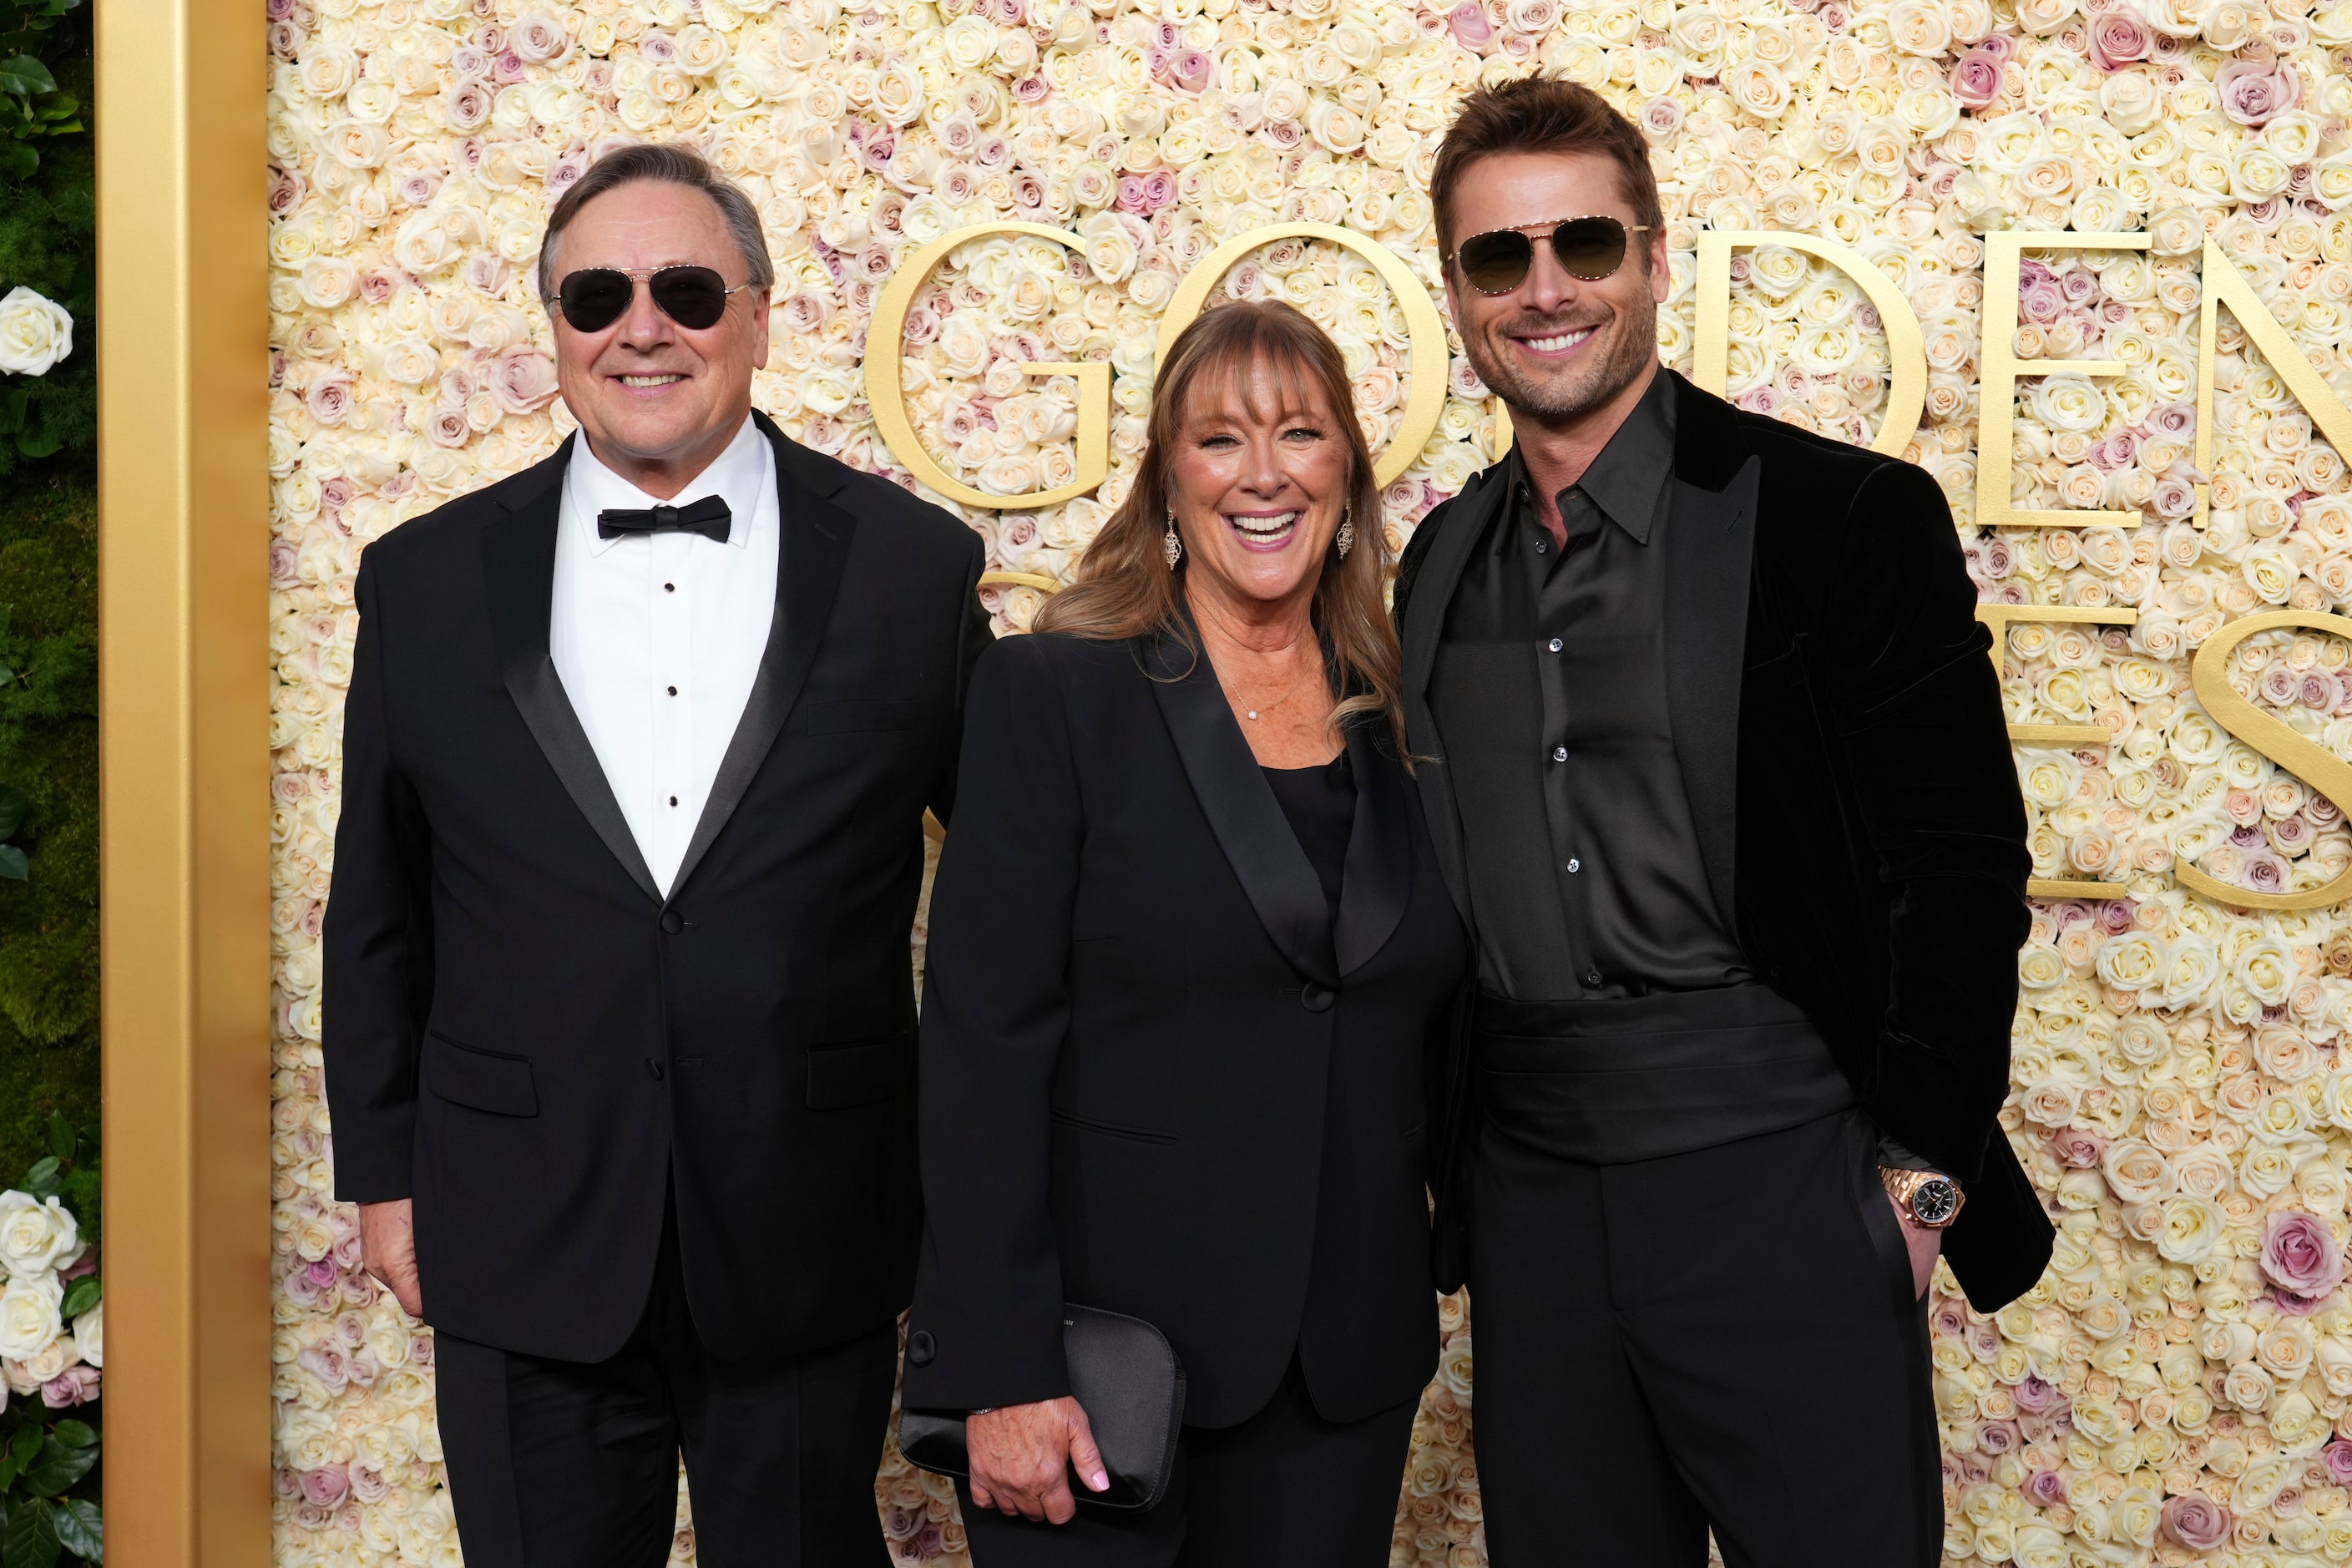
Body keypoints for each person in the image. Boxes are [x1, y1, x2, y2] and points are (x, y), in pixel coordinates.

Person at [1395, 78, 2053, 1565]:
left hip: (1786, 1182)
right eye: (1499, 258)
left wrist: (1917, 1187)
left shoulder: (1838, 516)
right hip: (1534, 1204)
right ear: (1454, 292)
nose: (1545, 287)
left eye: (1584, 243)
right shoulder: (1435, 562)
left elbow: (1960, 867)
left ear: (1654, 256)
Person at [322, 143, 988, 1568]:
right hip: (514, 1223)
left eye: (685, 289)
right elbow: (379, 902)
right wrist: (385, 1174)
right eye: (595, 295)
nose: (642, 327)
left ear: (758, 311)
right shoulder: (423, 576)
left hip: (810, 1222)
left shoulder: (910, 566)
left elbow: (1006, 899)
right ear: (551, 323)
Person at [901, 300, 1468, 1566]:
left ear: (1346, 476)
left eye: (1299, 433)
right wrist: (998, 1366)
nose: (1261, 474)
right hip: (1092, 1381)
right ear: (1168, 478)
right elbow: (980, 1048)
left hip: (1341, 1378)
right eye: (1218, 440)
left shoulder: (1409, 722)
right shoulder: (1054, 697)